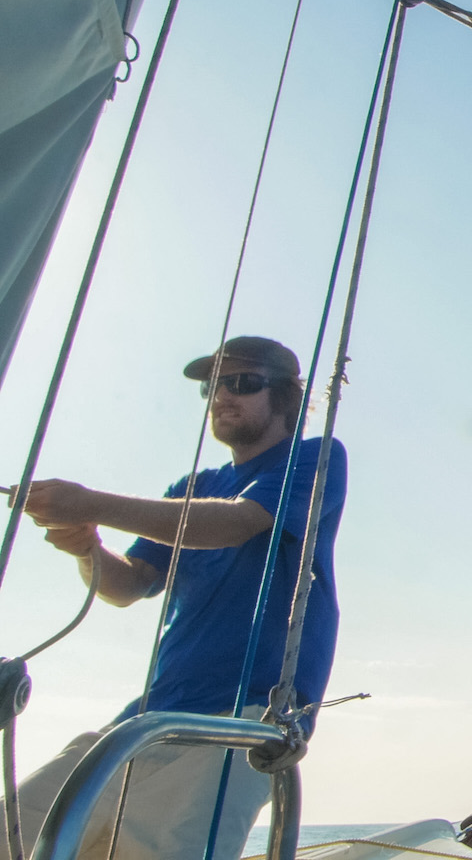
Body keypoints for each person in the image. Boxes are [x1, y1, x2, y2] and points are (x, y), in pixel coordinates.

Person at [12, 336, 347, 860]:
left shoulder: (316, 457)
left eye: (243, 383)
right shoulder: (193, 485)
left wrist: (90, 503)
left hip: (246, 718)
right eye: (214, 386)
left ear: (286, 396)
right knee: (15, 831)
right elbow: (129, 585)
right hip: (149, 717)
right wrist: (88, 547)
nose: (223, 395)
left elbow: (234, 523)